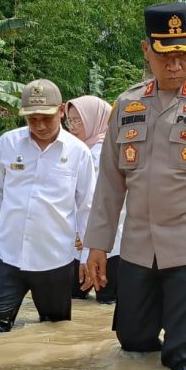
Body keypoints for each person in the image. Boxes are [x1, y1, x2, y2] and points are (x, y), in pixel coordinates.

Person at [83, 2, 186, 370]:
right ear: (147, 51)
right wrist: (98, 245)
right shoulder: (126, 105)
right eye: (165, 57)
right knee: (133, 345)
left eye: (183, 56)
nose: (175, 66)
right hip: (139, 251)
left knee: (183, 356)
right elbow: (110, 183)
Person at [0, 79, 96, 333]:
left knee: (56, 333)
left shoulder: (78, 152)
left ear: (61, 110)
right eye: (32, 119)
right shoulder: (8, 143)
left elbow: (87, 207)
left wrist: (85, 256)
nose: (39, 125)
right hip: (7, 255)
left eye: (46, 118)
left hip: (55, 259)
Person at [66, 94, 123, 304]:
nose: (72, 127)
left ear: (93, 120)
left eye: (77, 121)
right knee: (75, 298)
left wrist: (86, 236)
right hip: (79, 243)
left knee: (105, 299)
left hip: (108, 244)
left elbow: (99, 202)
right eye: (69, 121)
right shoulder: (77, 151)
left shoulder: (103, 153)